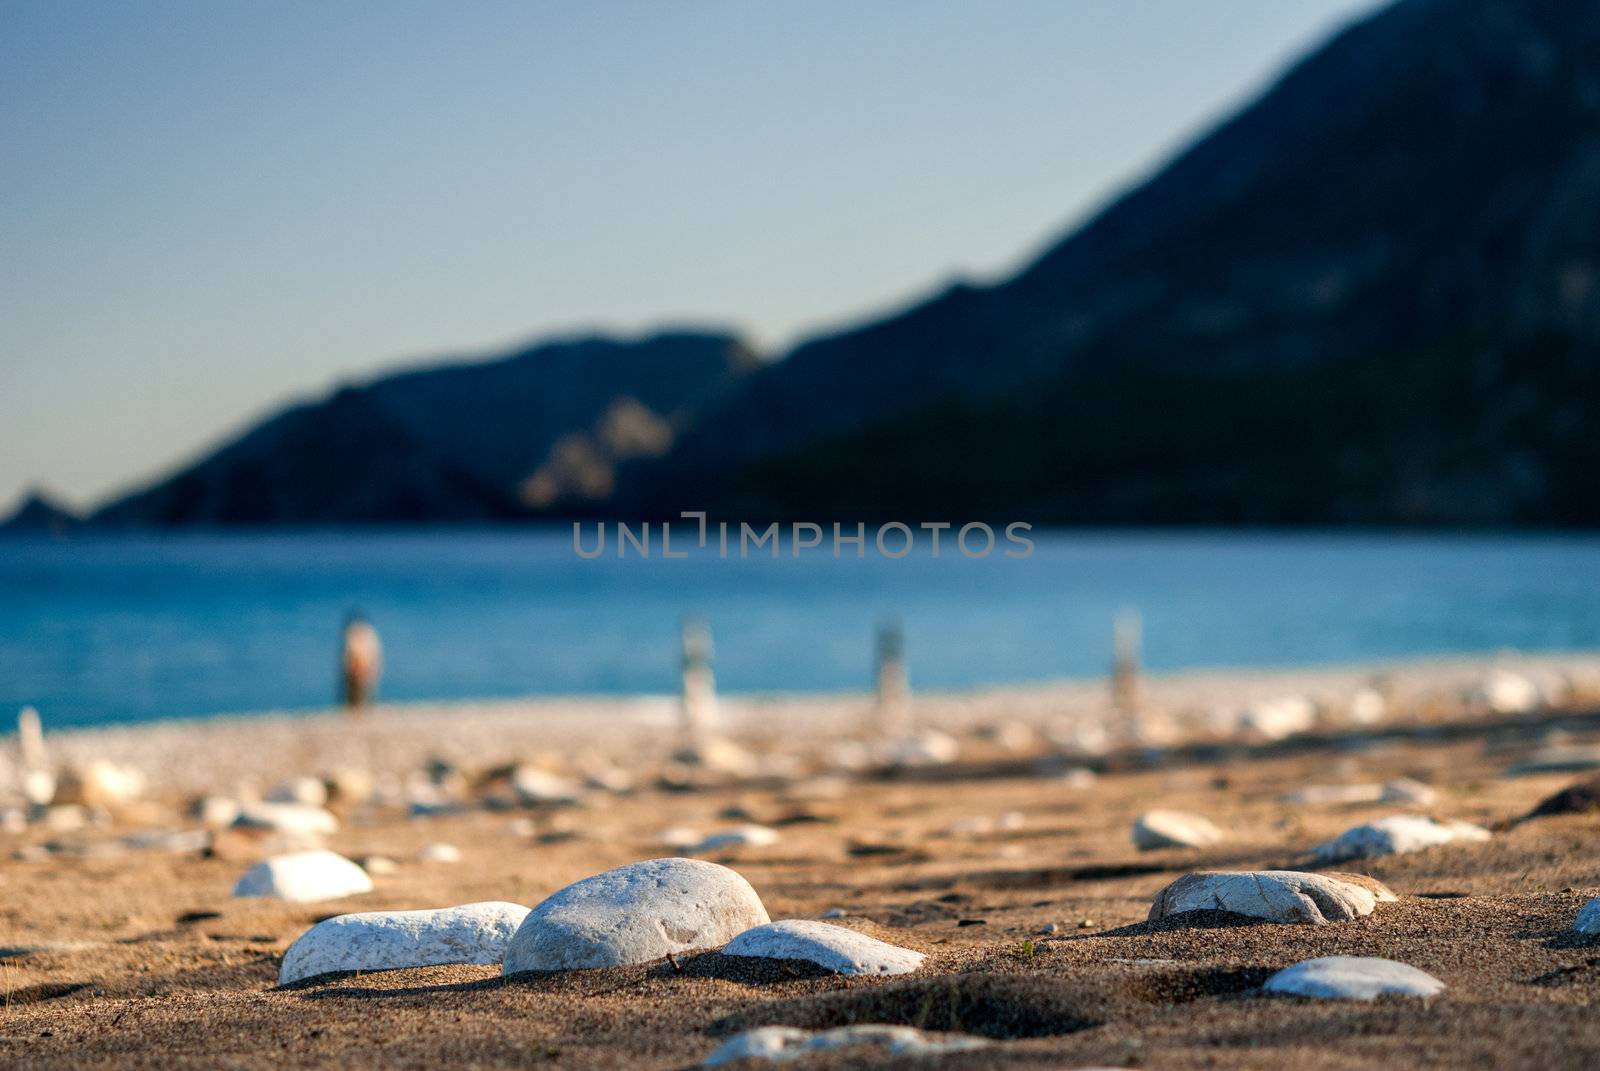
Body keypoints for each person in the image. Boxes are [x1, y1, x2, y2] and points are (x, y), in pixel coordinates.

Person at [340, 613, 383, 710]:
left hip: (363, 667)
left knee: (367, 691)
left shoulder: (367, 634)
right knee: (354, 693)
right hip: (356, 669)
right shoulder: (353, 634)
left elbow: (373, 654)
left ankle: (366, 709)